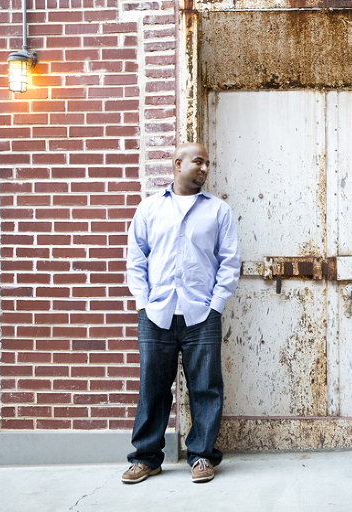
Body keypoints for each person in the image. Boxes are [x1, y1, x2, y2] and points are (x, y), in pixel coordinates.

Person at [122, 142, 241, 484]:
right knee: (153, 388)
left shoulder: (219, 211)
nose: (204, 168)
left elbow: (229, 263)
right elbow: (136, 259)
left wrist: (215, 305)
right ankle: (145, 458)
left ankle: (202, 456)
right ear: (178, 163)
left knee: (206, 387)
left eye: (208, 163)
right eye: (198, 162)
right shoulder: (149, 209)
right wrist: (142, 303)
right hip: (156, 313)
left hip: (201, 314)